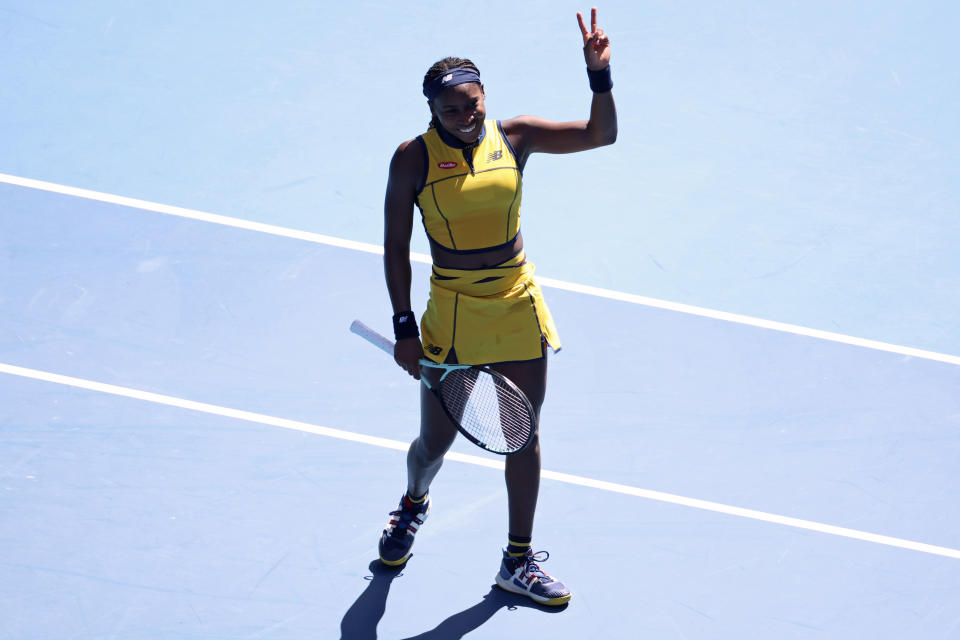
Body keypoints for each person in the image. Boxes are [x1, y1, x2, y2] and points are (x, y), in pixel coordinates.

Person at [378, 7, 617, 607]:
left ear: (486, 97)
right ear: (432, 110)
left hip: (514, 303)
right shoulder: (413, 158)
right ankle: (413, 503)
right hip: (452, 313)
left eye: (472, 103)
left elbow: (601, 135)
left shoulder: (516, 137)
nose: (464, 116)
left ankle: (517, 560)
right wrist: (404, 326)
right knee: (434, 443)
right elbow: (394, 245)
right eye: (450, 109)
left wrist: (599, 75)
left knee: (522, 434)